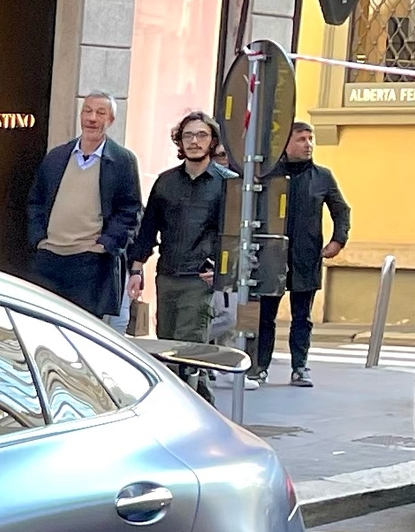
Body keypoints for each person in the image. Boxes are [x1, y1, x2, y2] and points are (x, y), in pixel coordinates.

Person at [26, 91, 143, 325]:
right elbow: (35, 200)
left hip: (89, 263)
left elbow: (130, 211)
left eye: (100, 113)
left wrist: (105, 244)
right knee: (42, 326)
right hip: (49, 258)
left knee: (81, 330)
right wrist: (39, 239)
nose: (92, 118)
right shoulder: (57, 156)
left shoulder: (122, 161)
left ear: (110, 121)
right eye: (87, 111)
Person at [252, 121, 352, 388]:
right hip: (271, 256)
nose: (308, 144)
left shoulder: (322, 176)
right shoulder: (268, 174)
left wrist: (338, 240)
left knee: (302, 317)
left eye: (310, 139)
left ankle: (299, 366)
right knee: (264, 317)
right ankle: (260, 366)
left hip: (306, 255)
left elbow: (341, 210)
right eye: (301, 139)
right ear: (285, 144)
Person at [127, 110, 232, 342]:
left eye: (201, 135)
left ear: (213, 141)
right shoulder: (165, 182)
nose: (194, 141)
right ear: (180, 141)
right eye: (188, 136)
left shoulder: (228, 183)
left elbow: (235, 235)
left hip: (201, 278)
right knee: (166, 343)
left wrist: (223, 270)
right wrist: (136, 269)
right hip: (167, 275)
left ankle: (195, 378)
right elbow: (148, 229)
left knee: (190, 346)